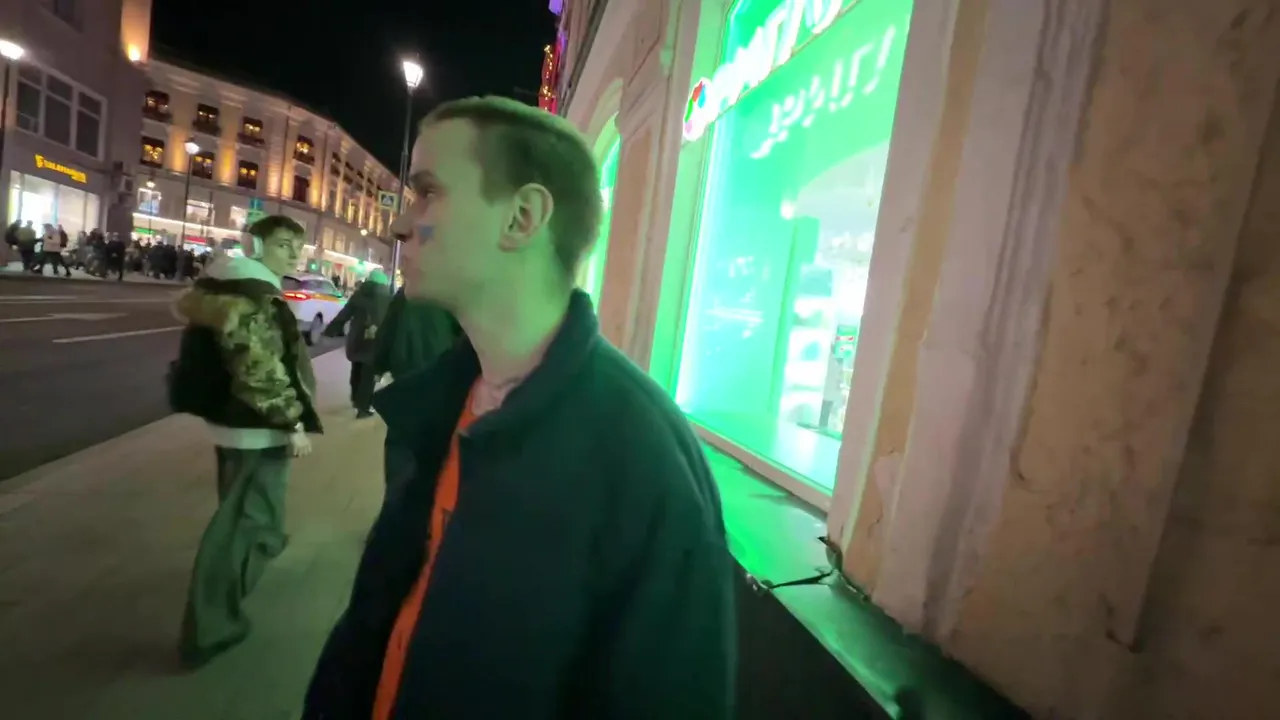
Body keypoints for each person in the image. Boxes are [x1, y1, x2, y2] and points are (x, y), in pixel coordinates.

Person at [304, 97, 736, 719]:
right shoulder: (441, 400)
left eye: (428, 193)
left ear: (522, 217)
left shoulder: (642, 455)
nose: (400, 225)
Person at [167, 214, 322, 669]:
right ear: (254, 245)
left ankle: (234, 583)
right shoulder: (251, 295)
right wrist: (292, 423)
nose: (293, 254)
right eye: (283, 244)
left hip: (234, 422)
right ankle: (211, 628)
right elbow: (259, 370)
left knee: (244, 516)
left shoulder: (228, 286)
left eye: (298, 246)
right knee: (246, 526)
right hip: (257, 427)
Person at [323, 269, 392, 418]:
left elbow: (344, 314)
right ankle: (363, 408)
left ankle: (355, 399)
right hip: (374, 340)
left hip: (357, 338)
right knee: (368, 374)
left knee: (356, 368)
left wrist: (330, 331)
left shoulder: (359, 294)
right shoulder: (388, 298)